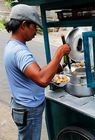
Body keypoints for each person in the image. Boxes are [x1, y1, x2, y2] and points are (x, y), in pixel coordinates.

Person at [4, 4, 71, 140]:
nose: (35, 31)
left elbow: (35, 72)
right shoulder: (19, 51)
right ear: (23, 25)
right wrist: (59, 53)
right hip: (28, 109)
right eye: (34, 26)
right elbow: (42, 79)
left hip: (21, 106)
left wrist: (55, 67)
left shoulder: (13, 45)